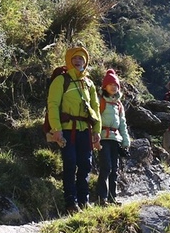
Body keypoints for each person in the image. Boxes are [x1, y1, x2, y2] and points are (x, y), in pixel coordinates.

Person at [47, 46, 101, 212]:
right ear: (69, 61)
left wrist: (97, 130)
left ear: (86, 62)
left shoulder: (89, 83)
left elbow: (95, 107)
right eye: (75, 58)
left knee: (85, 164)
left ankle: (84, 201)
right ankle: (71, 202)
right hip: (67, 130)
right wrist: (56, 129)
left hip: (85, 129)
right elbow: (53, 105)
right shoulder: (61, 80)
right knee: (70, 163)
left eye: (81, 59)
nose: (78, 61)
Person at [96, 69, 130, 206]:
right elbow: (96, 119)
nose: (114, 87)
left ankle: (112, 198)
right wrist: (95, 136)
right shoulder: (100, 101)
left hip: (115, 139)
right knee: (106, 167)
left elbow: (123, 123)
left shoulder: (118, 104)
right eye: (111, 84)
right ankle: (101, 198)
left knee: (114, 169)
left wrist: (126, 140)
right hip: (103, 138)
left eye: (116, 85)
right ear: (105, 86)